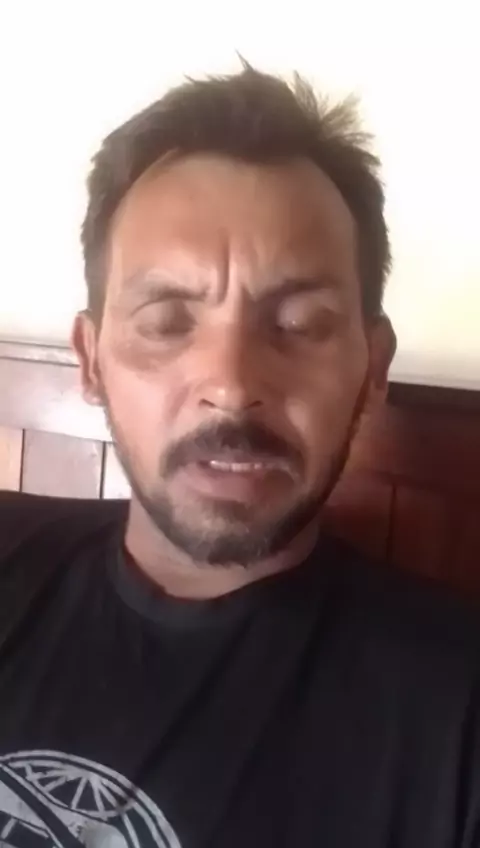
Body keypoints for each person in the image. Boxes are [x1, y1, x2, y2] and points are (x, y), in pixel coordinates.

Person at [0, 65, 479, 848]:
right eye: (167, 321)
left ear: (371, 367)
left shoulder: (458, 714)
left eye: (298, 324)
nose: (230, 385)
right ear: (91, 361)